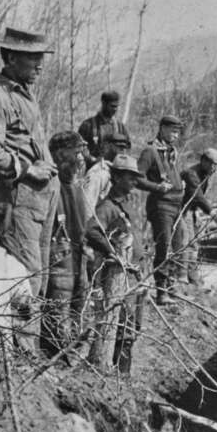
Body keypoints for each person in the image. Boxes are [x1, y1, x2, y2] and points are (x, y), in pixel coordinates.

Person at [0, 27, 58, 319]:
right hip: (18, 199)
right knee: (24, 281)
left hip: (39, 200)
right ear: (11, 57)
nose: (40, 65)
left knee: (39, 278)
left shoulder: (24, 95)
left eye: (41, 57)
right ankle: (21, 360)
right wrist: (26, 169)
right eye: (33, 58)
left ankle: (28, 353)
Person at [85, 154, 147, 374]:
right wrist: (112, 252)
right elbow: (92, 230)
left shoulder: (130, 203)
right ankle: (121, 377)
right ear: (118, 178)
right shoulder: (108, 207)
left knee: (134, 327)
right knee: (124, 329)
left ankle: (120, 374)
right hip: (121, 279)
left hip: (136, 275)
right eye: (130, 177)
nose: (134, 182)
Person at [41, 131, 93, 357]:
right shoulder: (50, 184)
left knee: (80, 299)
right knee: (59, 300)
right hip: (59, 252)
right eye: (76, 152)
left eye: (82, 152)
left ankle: (74, 349)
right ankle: (55, 352)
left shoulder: (78, 185)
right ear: (60, 154)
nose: (81, 158)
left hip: (78, 251)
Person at [137, 115, 184, 306]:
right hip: (161, 205)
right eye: (172, 130)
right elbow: (137, 178)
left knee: (178, 247)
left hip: (176, 205)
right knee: (163, 247)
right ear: (162, 128)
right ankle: (161, 290)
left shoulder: (172, 152)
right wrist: (157, 187)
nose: (175, 135)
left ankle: (171, 287)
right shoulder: (150, 151)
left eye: (177, 132)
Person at [179, 147, 217, 284]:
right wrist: (211, 212)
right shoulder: (191, 173)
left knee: (193, 244)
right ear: (203, 161)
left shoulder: (206, 175)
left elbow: (199, 198)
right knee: (184, 242)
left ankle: (192, 276)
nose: (214, 168)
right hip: (179, 210)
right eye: (212, 164)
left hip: (190, 211)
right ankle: (181, 276)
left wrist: (197, 212)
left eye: (216, 165)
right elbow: (197, 195)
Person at [77, 90, 130, 168]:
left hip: (117, 169)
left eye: (117, 106)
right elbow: (80, 147)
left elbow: (128, 147)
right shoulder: (88, 125)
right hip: (94, 169)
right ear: (104, 104)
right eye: (112, 106)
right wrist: (93, 160)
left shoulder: (120, 127)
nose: (115, 109)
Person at [82, 132, 132, 213]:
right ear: (106, 146)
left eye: (124, 148)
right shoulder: (99, 174)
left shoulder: (115, 172)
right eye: (119, 147)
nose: (122, 152)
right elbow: (87, 208)